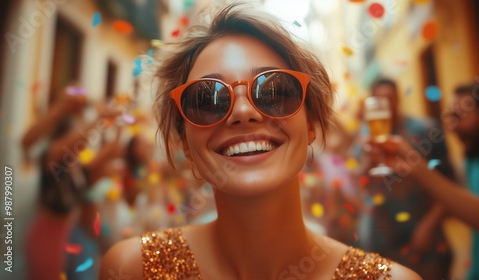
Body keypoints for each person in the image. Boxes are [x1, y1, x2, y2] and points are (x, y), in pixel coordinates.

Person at [100, 3, 421, 279]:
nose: (243, 111)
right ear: (184, 139)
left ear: (310, 123)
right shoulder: (132, 269)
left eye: (275, 91)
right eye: (207, 99)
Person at [371, 84, 479, 279]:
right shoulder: (473, 161)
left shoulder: (423, 129)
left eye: (459, 116)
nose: (451, 126)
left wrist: (419, 168)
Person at [354, 79, 454, 279]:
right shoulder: (365, 136)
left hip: (423, 240)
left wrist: (428, 226)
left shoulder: (425, 129)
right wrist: (367, 162)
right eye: (379, 100)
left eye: (390, 98)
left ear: (398, 98)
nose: (386, 104)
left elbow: (450, 183)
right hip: (381, 243)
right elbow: (359, 180)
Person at [22, 87, 122, 280]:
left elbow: (112, 150)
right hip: (46, 236)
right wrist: (98, 118)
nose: (82, 140)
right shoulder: (53, 161)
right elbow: (77, 139)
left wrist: (120, 122)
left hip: (64, 237)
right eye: (74, 134)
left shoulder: (79, 169)